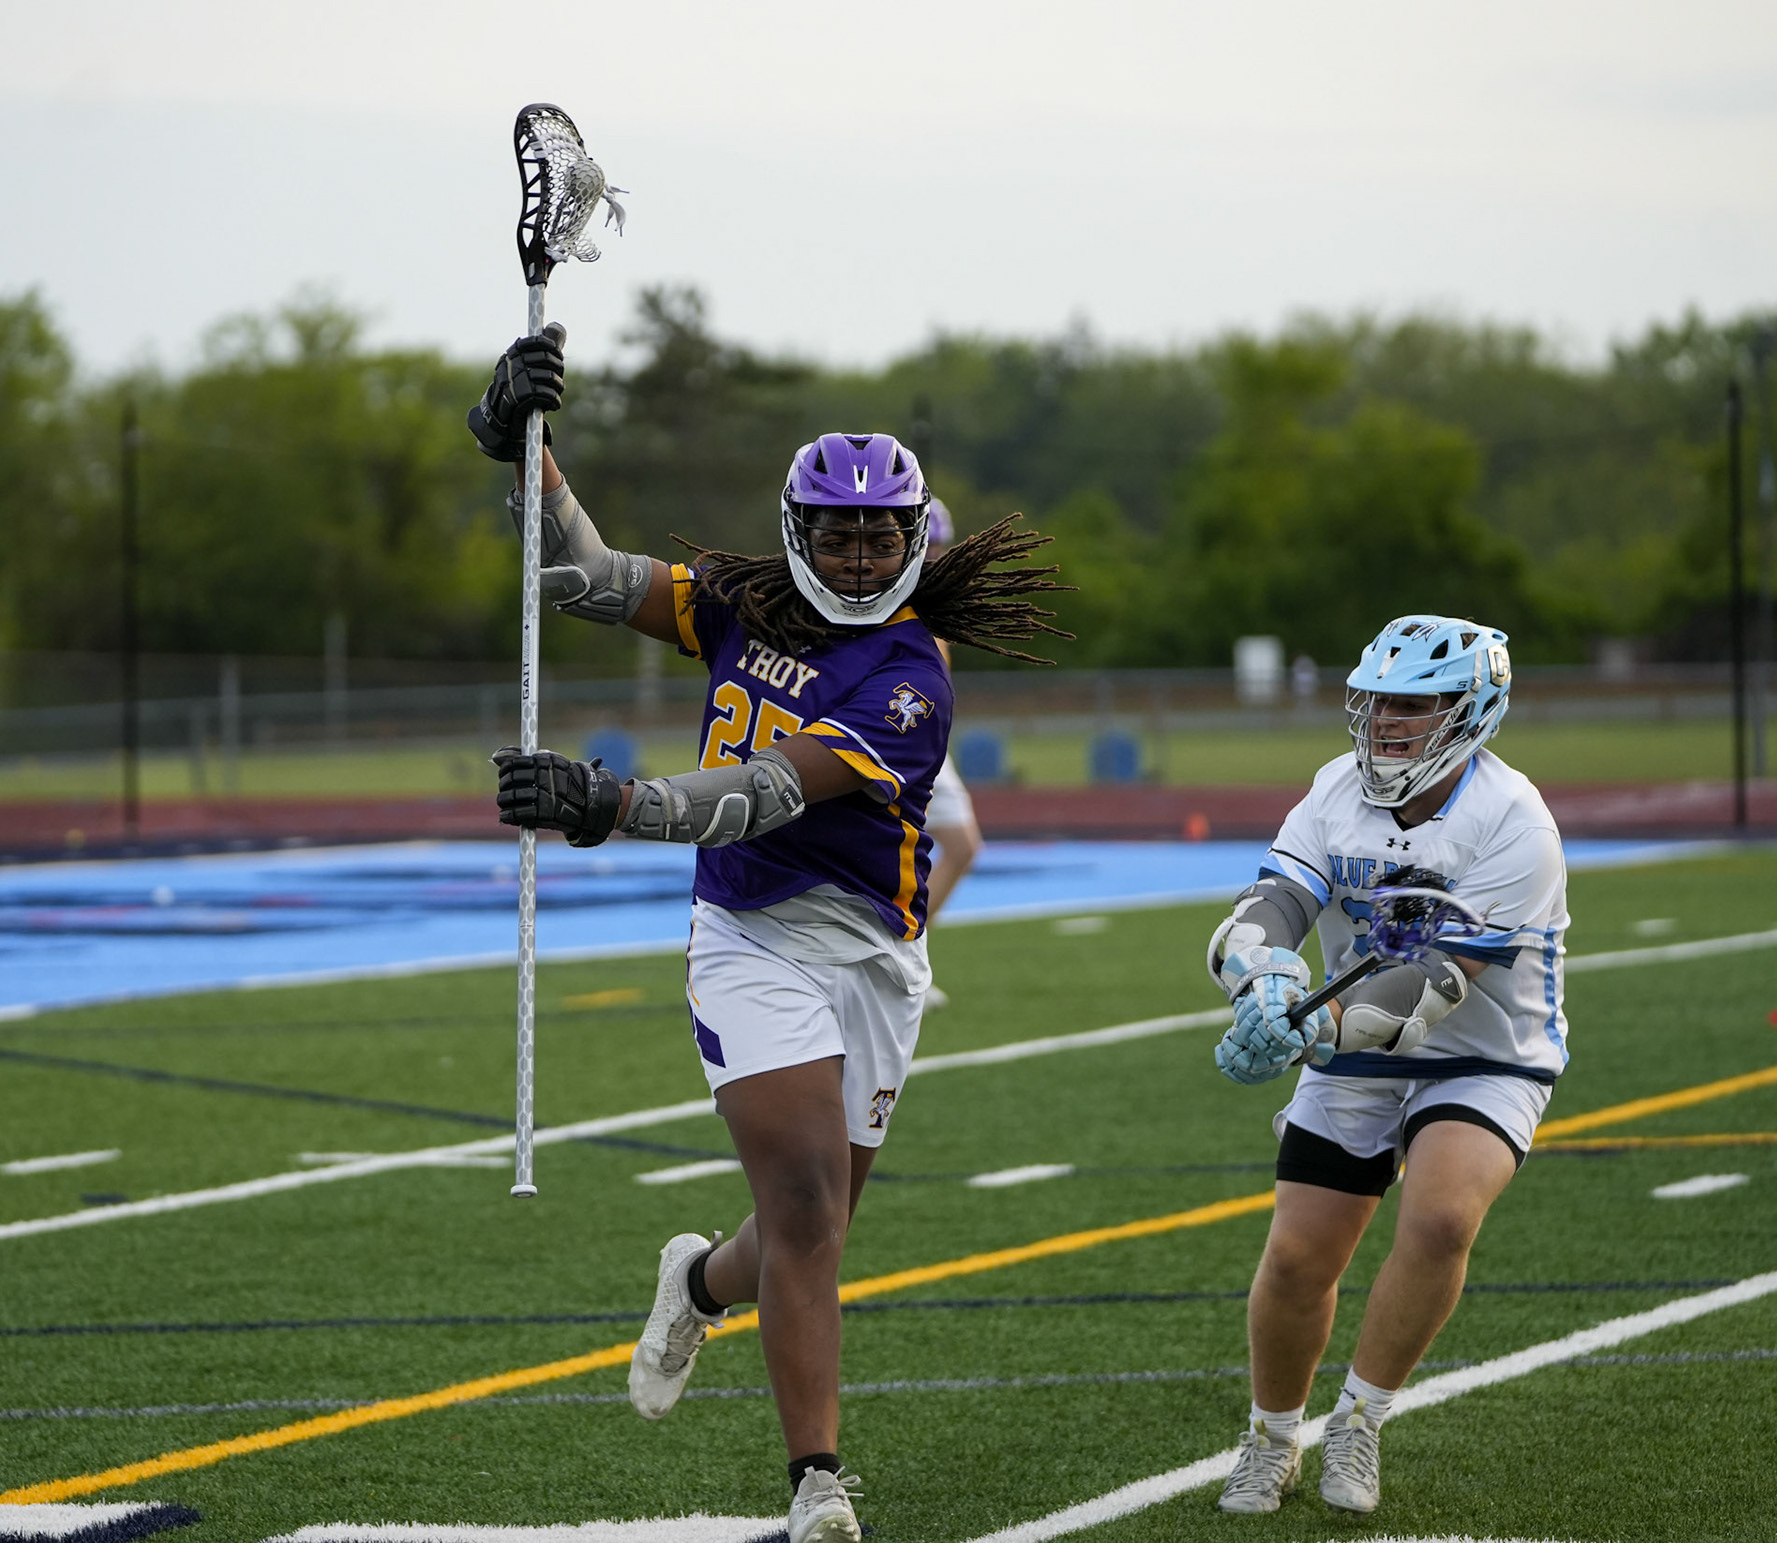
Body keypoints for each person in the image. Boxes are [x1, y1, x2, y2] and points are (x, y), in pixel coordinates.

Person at [469, 327, 1067, 1543]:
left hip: (873, 949)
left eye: (881, 536)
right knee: (801, 1209)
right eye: (839, 534)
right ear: (800, 531)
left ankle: (696, 1280)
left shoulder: (909, 679)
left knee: (813, 1227)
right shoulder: (744, 600)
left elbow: (766, 790)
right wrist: (523, 454)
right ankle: (818, 1481)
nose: (860, 555)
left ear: (914, 539)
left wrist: (611, 804)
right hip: (750, 932)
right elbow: (583, 576)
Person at [1205, 614, 1567, 1517]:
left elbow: (1436, 982)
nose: (1386, 722)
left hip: (1484, 1051)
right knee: (1299, 1255)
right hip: (1349, 1044)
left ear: (1471, 709)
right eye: (1377, 703)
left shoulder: (1515, 820)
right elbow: (1274, 901)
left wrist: (1310, 1026)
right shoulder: (1335, 789)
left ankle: (1360, 1418)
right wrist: (1261, 980)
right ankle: (1270, 1437)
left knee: (1441, 1218)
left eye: (1413, 705)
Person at [914, 500, 984, 1006]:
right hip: (894, 737)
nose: (936, 556)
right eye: (929, 547)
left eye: (940, 546)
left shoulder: (933, 596)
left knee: (961, 845)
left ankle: (907, 948)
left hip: (926, 740)